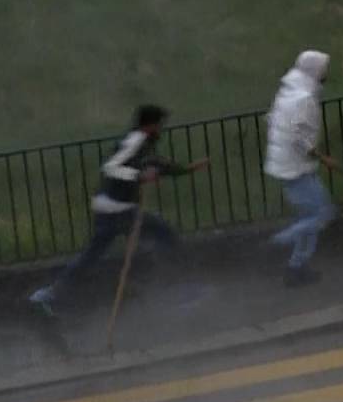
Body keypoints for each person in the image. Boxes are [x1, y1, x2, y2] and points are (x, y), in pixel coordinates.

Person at [28, 105, 210, 316]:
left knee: (92, 255)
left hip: (108, 208)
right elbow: (112, 168)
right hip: (119, 210)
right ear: (150, 125)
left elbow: (157, 165)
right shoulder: (135, 141)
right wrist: (141, 177)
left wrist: (188, 169)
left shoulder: (140, 144)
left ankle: (49, 294)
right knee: (165, 236)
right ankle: (183, 291)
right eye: (159, 125)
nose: (161, 129)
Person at [264, 50, 341, 287]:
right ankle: (278, 241)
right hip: (297, 169)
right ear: (315, 71)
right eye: (324, 69)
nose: (326, 73)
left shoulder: (288, 93)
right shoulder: (304, 99)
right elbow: (298, 138)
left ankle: (297, 267)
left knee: (309, 218)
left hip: (286, 166)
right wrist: (324, 158)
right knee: (322, 214)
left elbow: (273, 121)